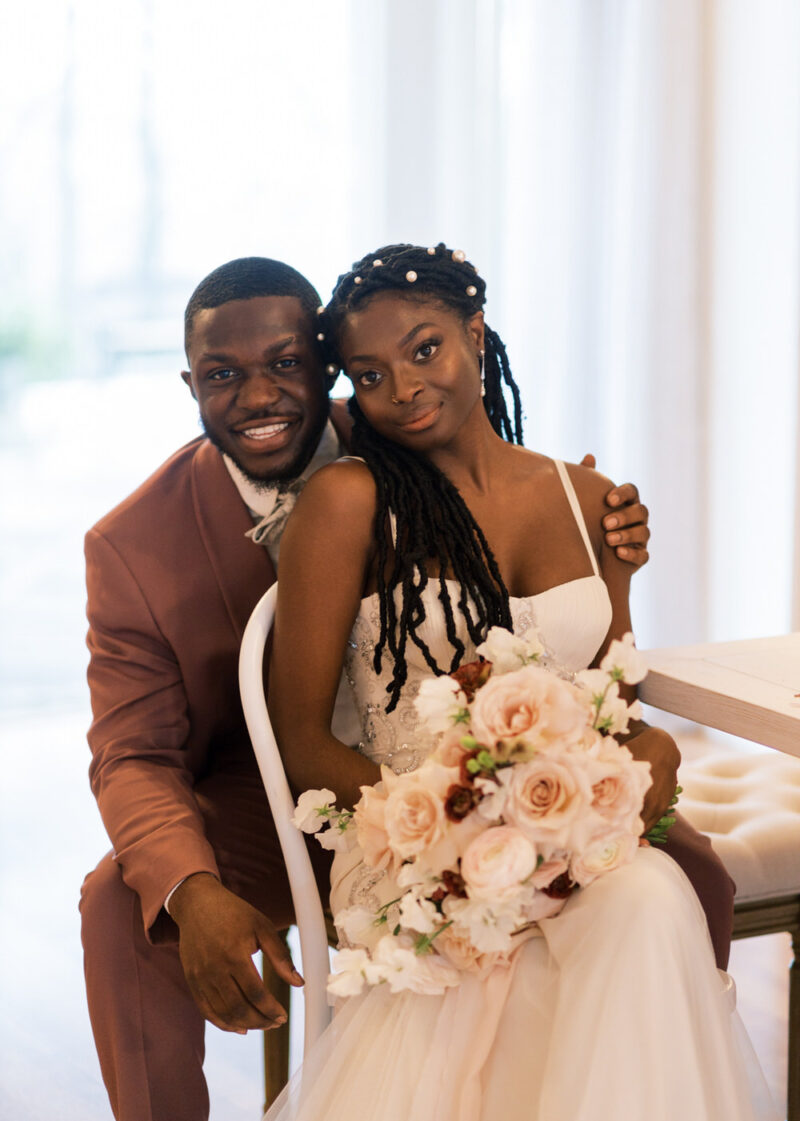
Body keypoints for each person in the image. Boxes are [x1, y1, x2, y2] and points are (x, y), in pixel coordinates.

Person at [78, 257, 715, 1121]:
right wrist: (192, 889)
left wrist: (606, 535)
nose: (260, 395)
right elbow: (132, 752)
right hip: (271, 795)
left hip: (507, 775)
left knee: (687, 878)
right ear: (190, 382)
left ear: (319, 361)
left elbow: (507, 495)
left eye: (285, 364)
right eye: (224, 376)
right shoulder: (133, 544)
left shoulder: (401, 420)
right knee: (125, 901)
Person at [265, 243, 766, 1120]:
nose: (405, 388)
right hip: (413, 845)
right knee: (555, 952)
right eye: (370, 374)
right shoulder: (347, 503)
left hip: (579, 828)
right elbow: (301, 739)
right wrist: (459, 823)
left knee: (650, 899)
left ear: (475, 329)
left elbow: (618, 696)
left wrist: (641, 761)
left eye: (426, 349)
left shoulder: (590, 497)